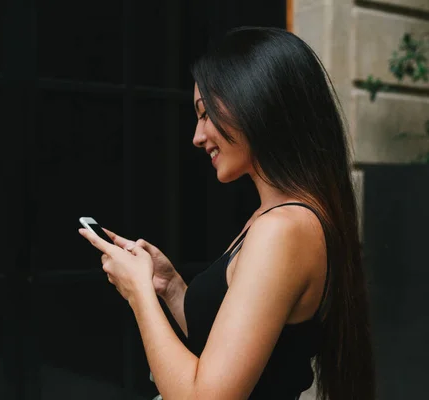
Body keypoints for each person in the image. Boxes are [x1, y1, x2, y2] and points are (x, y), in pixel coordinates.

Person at [79, 27, 375, 400]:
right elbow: (236, 352)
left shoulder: (284, 229)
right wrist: (171, 289)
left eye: (205, 115)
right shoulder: (276, 217)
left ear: (258, 104)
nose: (197, 136)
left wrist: (138, 292)